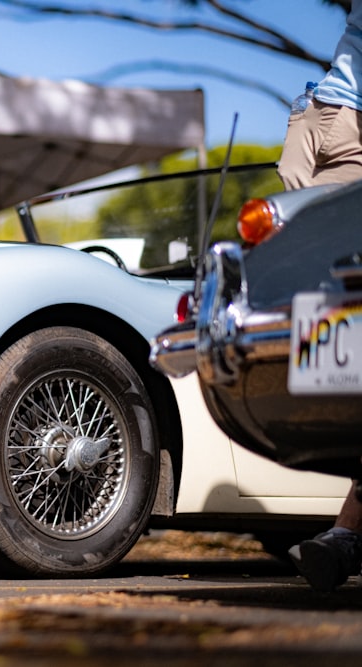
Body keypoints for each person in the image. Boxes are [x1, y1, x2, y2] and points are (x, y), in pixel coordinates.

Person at [278, 0, 362, 592]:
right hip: (340, 122)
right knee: (336, 309)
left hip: (318, 116)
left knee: (329, 302)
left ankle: (345, 533)